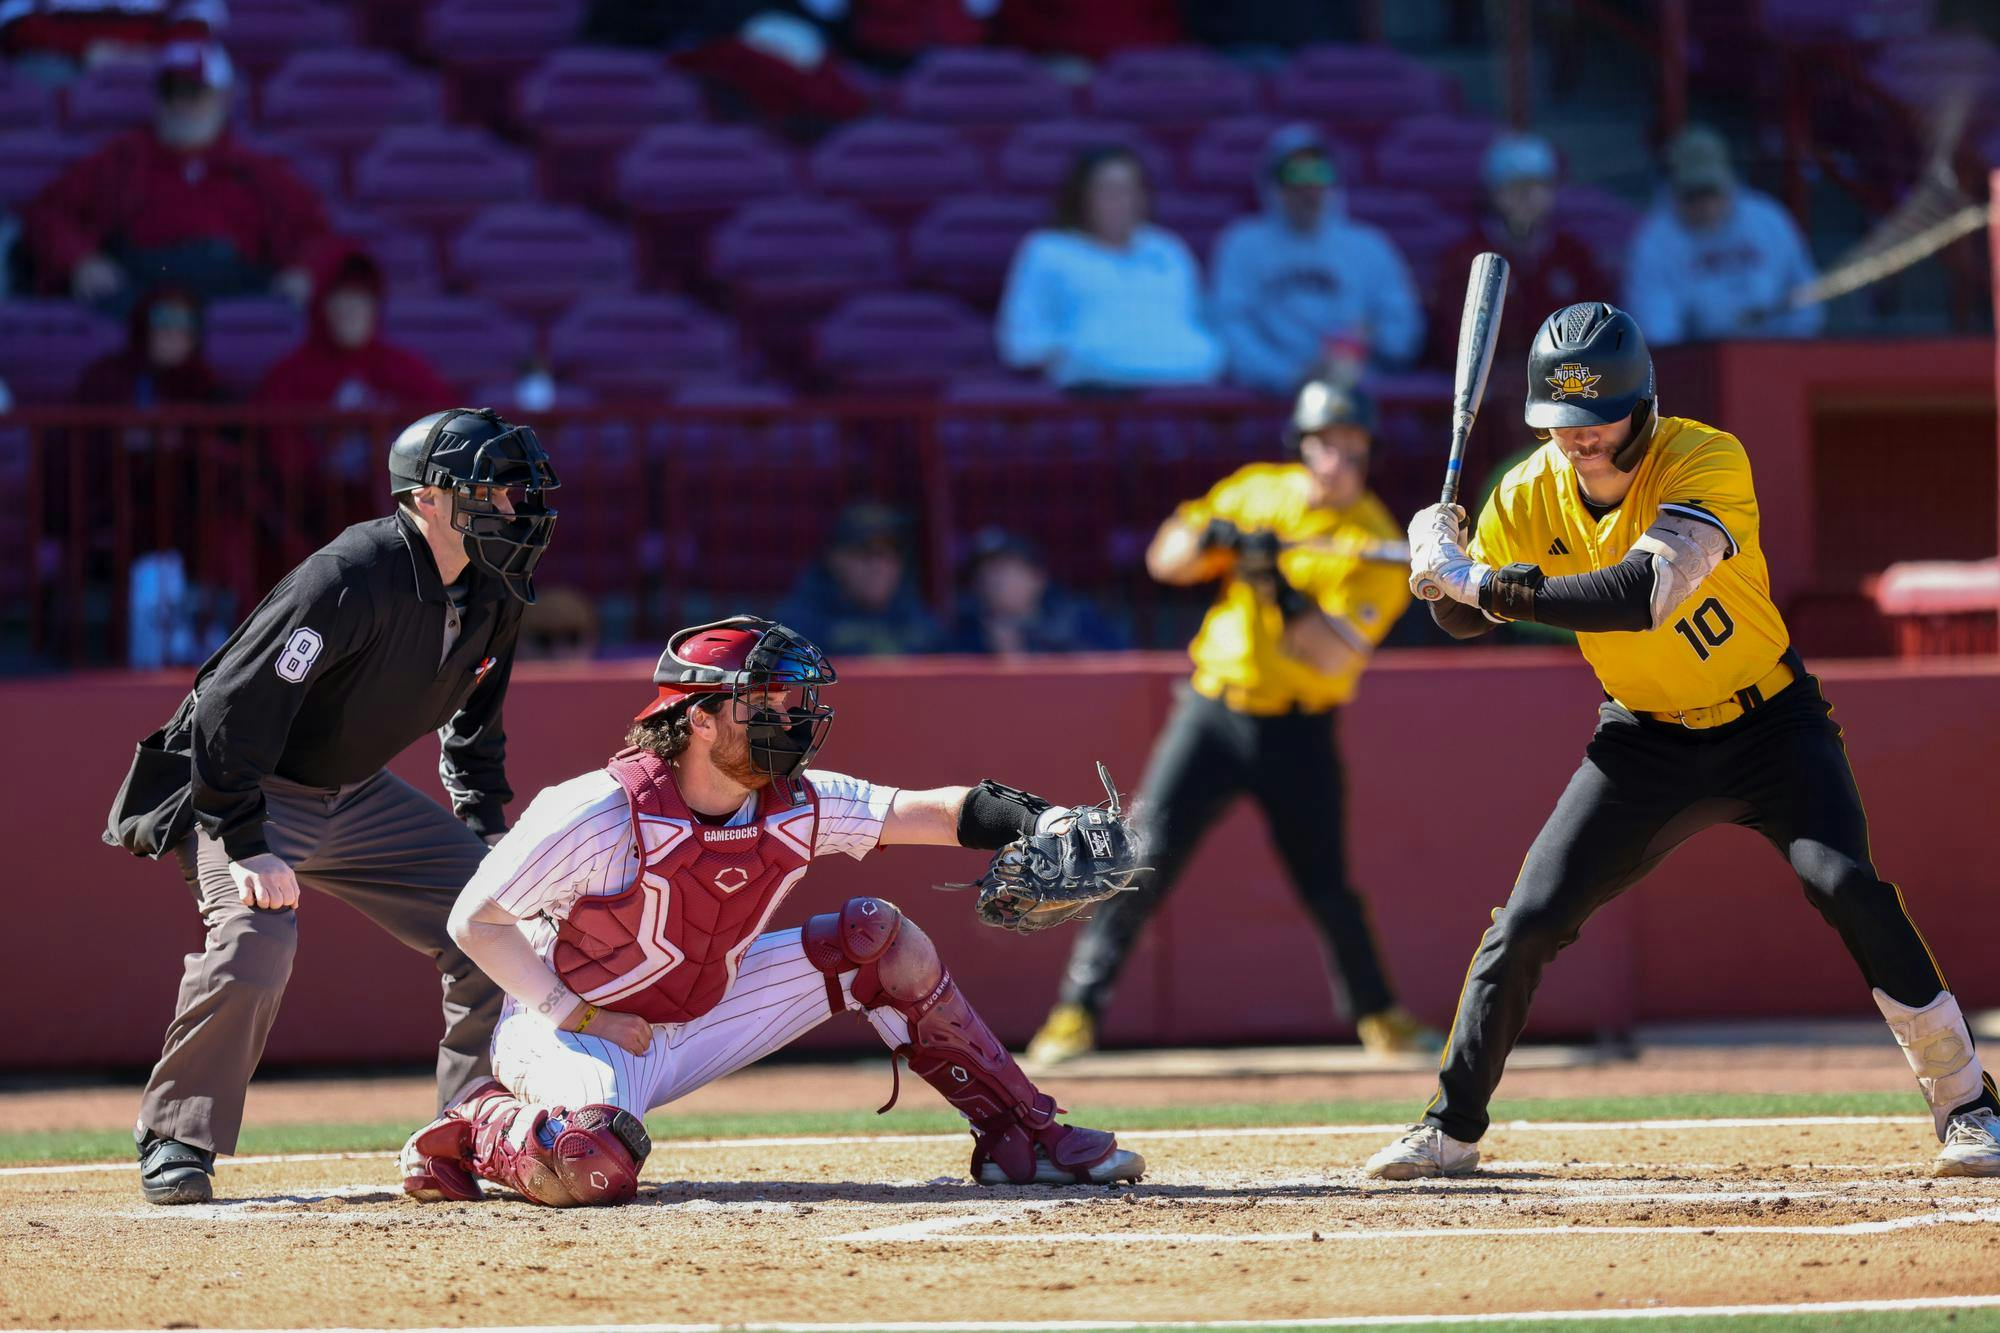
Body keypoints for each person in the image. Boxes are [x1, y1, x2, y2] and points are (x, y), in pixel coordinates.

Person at [1373, 301, 1999, 1181]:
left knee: (1845, 882)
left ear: (1644, 409)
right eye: (1560, 425)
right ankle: (1450, 1125)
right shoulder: (1525, 488)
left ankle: (1970, 1103)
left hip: (1769, 722)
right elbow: (1464, 617)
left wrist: (1480, 581)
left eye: (1597, 423)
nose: (1578, 442)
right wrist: (1439, 568)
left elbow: (1643, 593)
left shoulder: (1706, 458)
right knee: (1527, 922)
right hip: (1643, 739)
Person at [396, 615, 1146, 1206]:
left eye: (792, 701)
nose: (789, 717)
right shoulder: (597, 809)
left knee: (876, 938)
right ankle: (480, 1123)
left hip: (694, 1017)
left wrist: (1043, 821)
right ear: (698, 718)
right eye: (764, 702)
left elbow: (931, 811)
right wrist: (574, 1013)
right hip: (576, 1028)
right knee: (595, 1164)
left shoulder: (798, 803)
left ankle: (1025, 1136)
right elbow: (474, 920)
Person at [102, 408, 561, 1205]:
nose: (516, 506)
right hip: (241, 786)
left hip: (354, 790)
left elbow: (475, 732)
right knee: (256, 938)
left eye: (520, 490)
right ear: (427, 499)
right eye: (494, 489)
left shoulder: (496, 585)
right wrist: (245, 840)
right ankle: (178, 1134)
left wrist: (490, 840)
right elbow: (227, 708)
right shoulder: (351, 573)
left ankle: (472, 1127)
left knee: (498, 923)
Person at [1027, 380, 1435, 1064]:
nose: (1341, 462)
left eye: (1356, 449)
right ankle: (1075, 1012)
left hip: (1299, 726)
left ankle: (1379, 1015)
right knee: (1138, 854)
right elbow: (1165, 559)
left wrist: (1279, 585)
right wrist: (1211, 537)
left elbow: (1334, 653)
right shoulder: (1256, 491)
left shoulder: (1374, 538)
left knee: (1326, 880)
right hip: (1214, 712)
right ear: (1303, 448)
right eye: (1328, 446)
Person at [22, 41, 327, 312]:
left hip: (231, 286)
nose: (181, 105)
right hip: (146, 288)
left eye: (194, 93)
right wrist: (81, 260)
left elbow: (313, 230)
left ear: (223, 97)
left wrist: (302, 269)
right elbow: (49, 212)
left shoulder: (253, 168)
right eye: (171, 92)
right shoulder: (124, 158)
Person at [1210, 124, 1423, 394]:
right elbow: (1230, 330)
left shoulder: (1371, 246)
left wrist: (1371, 338)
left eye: (1319, 174)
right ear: (1273, 185)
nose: (1308, 189)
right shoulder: (1241, 244)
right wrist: (1290, 376)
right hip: (1269, 397)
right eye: (1295, 177)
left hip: (1356, 394)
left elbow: (1403, 333)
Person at [997, 145, 1224, 390]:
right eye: (1107, 191)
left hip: (1181, 379)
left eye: (1128, 191)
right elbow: (1022, 340)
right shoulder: (1047, 251)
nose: (1120, 202)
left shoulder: (1168, 250)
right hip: (1090, 393)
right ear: (1082, 196)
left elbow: (1197, 324)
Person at [1622, 126, 1823, 346]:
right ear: (1674, 190)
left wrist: (1788, 351)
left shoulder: (1769, 220)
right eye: (1694, 195)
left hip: (1774, 353)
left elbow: (1804, 297)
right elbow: (1656, 327)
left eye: (1712, 192)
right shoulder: (1655, 242)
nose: (1706, 206)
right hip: (1697, 362)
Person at [1431, 133, 1613, 367]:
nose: (1525, 197)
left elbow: (1601, 334)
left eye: (1536, 186)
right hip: (1494, 389)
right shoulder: (1465, 258)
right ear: (1492, 193)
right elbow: (1457, 347)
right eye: (1512, 187)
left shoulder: (1575, 254)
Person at [256, 242, 454, 410]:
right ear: (319, 306)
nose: (351, 309)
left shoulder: (409, 372)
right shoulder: (287, 380)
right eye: (341, 296)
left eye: (361, 297)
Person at [775, 501, 942, 657]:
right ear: (834, 559)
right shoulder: (797, 629)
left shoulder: (918, 618)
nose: (879, 566)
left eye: (891, 553)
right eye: (866, 552)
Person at [947, 528, 1125, 656]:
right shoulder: (963, 634)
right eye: (986, 572)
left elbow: (1118, 671)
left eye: (1006, 570)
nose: (995, 581)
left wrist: (1023, 657)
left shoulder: (1077, 621)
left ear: (1038, 578)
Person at [75, 283, 223, 406]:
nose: (172, 334)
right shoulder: (104, 378)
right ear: (142, 330)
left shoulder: (207, 386)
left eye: (183, 325)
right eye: (163, 323)